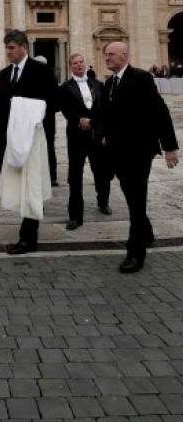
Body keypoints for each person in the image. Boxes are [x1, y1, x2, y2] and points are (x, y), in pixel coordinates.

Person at [102, 42, 179, 273]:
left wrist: (170, 147)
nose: (106, 58)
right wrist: (101, 131)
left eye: (111, 55)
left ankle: (135, 253)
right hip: (118, 151)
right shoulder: (109, 83)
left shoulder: (141, 78)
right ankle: (145, 232)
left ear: (124, 56)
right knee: (132, 196)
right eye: (105, 54)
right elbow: (108, 115)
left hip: (139, 151)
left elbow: (159, 111)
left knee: (136, 199)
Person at [0, 30, 58, 254]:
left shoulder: (41, 70)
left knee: (32, 184)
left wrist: (34, 122)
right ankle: (26, 230)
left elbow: (53, 103)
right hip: (12, 138)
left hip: (33, 137)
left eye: (11, 48)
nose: (8, 52)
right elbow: (2, 111)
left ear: (23, 47)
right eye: (7, 48)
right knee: (18, 185)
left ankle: (28, 238)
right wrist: (0, 143)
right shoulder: (4, 75)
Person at [60, 53, 111, 231]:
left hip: (97, 136)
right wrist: (78, 120)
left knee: (101, 173)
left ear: (85, 64)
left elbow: (105, 110)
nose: (79, 65)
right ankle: (75, 216)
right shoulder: (65, 88)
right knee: (75, 176)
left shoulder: (98, 85)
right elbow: (65, 109)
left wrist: (104, 132)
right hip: (76, 137)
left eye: (81, 62)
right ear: (70, 66)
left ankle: (103, 202)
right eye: (75, 63)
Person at [33, 55, 58, 186]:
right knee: (47, 146)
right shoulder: (51, 78)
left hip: (45, 118)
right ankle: (51, 176)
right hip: (45, 118)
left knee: (47, 146)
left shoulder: (34, 79)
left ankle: (50, 176)